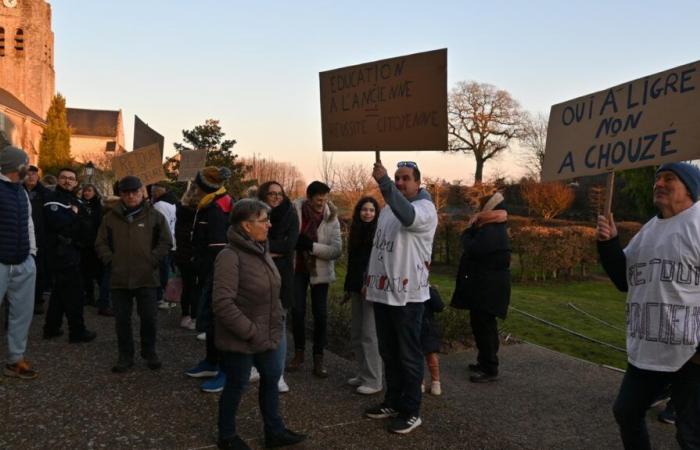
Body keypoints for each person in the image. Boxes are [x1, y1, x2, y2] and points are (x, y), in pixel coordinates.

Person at [597, 162, 700, 449]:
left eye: (669, 178)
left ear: (690, 188)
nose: (659, 184)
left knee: (691, 435)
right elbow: (623, 279)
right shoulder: (650, 230)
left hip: (691, 353)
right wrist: (609, 243)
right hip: (649, 347)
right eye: (657, 179)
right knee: (626, 411)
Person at [213, 198, 306, 450]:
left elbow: (272, 294)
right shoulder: (229, 256)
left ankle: (274, 431)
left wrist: (275, 324)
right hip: (242, 337)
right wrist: (251, 332)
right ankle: (227, 435)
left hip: (269, 334)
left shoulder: (261, 250)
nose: (269, 225)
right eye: (264, 220)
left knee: (271, 378)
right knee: (237, 384)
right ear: (246, 225)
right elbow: (222, 303)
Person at [363, 160, 438, 435]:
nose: (400, 182)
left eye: (406, 178)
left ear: (418, 182)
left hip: (408, 297)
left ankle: (411, 411)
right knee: (389, 352)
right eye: (396, 178)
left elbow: (408, 216)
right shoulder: (386, 210)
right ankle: (393, 402)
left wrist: (383, 183)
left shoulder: (424, 208)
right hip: (383, 292)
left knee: (408, 355)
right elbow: (381, 249)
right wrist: (368, 279)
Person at [95, 176, 172, 373]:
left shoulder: (155, 216)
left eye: (135, 192)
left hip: (146, 277)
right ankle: (125, 355)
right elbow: (100, 243)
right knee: (122, 320)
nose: (131, 196)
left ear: (142, 192)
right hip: (119, 278)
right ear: (121, 194)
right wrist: (110, 260)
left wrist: (152, 260)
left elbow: (165, 242)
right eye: (126, 192)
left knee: (149, 318)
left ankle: (149, 352)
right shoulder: (110, 217)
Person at [450, 192, 511, 383]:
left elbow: (474, 248)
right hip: (485, 287)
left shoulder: (492, 229)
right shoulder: (491, 226)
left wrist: (467, 232)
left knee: (484, 327)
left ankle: (489, 368)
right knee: (482, 325)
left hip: (488, 289)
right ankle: (484, 361)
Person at [185, 167, 234, 393]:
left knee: (219, 322)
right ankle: (211, 362)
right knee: (211, 323)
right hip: (209, 271)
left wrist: (203, 269)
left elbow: (218, 247)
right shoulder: (208, 203)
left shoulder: (215, 208)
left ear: (203, 186)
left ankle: (226, 371)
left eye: (196, 185)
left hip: (215, 273)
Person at [287, 181, 342, 378]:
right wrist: (295, 243)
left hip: (320, 271)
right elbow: (286, 236)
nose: (322, 203)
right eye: (319, 199)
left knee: (321, 315)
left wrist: (312, 246)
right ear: (309, 198)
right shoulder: (295, 212)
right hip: (297, 269)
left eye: (325, 198)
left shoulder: (331, 218)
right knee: (297, 311)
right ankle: (298, 354)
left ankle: (319, 359)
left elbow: (336, 250)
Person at [43, 167, 96, 343]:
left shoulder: (74, 200)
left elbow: (87, 224)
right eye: (64, 178)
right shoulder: (53, 200)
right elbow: (60, 225)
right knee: (74, 295)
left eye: (71, 179)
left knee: (60, 292)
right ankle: (77, 331)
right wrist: (76, 218)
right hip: (62, 253)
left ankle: (51, 327)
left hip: (73, 252)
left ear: (75, 182)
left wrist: (76, 217)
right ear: (58, 180)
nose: (68, 181)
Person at [0, 146, 38, 379]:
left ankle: (15, 359)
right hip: (1, 262)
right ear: (15, 166)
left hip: (23, 260)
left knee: (22, 314)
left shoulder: (21, 191)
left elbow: (28, 223)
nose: (29, 168)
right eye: (26, 164)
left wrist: (32, 253)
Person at [258, 181, 298, 393]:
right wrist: (270, 249)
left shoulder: (290, 215)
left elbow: (289, 245)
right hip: (257, 275)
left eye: (279, 194)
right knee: (257, 321)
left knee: (278, 326)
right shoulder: (255, 212)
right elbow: (248, 239)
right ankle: (256, 366)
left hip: (282, 277)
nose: (275, 197)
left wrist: (263, 247)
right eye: (271, 194)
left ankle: (278, 374)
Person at [343, 196, 383, 395]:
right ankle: (362, 373)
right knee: (357, 334)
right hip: (356, 287)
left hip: (370, 288)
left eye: (372, 210)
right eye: (364, 209)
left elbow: (378, 262)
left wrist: (369, 282)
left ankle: (374, 380)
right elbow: (353, 263)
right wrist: (349, 288)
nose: (368, 213)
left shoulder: (379, 233)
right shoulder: (356, 231)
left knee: (369, 334)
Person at [23, 165, 50, 315]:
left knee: (39, 270)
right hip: (22, 236)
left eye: (34, 173)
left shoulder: (45, 193)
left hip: (40, 237)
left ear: (38, 176)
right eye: (28, 174)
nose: (31, 176)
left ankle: (37, 300)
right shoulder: (19, 191)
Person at [174, 184, 200, 330]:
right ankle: (193, 316)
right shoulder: (195, 215)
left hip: (183, 255)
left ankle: (186, 315)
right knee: (194, 287)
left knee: (188, 287)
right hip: (191, 255)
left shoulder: (181, 212)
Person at [151, 183, 178, 310]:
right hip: (171, 241)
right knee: (167, 270)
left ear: (164, 190)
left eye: (156, 189)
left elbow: (159, 225)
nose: (153, 192)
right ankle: (168, 297)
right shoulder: (173, 202)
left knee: (161, 272)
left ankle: (161, 297)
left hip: (161, 242)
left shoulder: (159, 205)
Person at [79, 183, 103, 309]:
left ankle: (103, 297)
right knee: (86, 272)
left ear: (95, 192)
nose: (86, 193)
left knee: (98, 272)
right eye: (85, 191)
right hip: (84, 243)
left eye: (89, 191)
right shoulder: (80, 204)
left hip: (95, 242)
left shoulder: (99, 206)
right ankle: (89, 296)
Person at [421, 286, 445, 395]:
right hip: (422, 326)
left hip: (426, 327)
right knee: (418, 357)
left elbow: (439, 306)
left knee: (430, 356)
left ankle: (435, 382)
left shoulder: (429, 290)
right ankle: (421, 382)